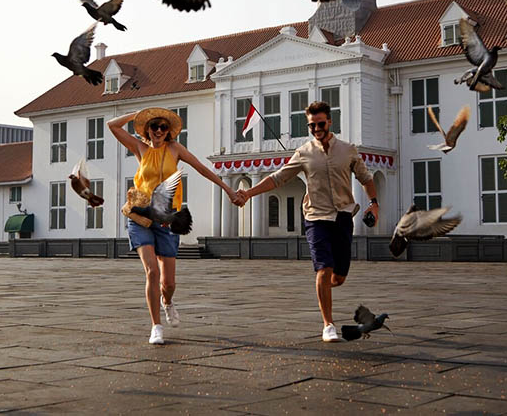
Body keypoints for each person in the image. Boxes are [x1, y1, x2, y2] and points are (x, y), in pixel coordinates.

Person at [237, 101, 378, 342]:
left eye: (320, 124)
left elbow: (366, 178)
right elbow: (277, 178)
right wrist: (248, 193)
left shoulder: (348, 150)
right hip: (316, 218)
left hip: (343, 217)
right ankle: (328, 325)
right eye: (312, 125)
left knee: (338, 277)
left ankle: (321, 288)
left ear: (330, 122)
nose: (316, 129)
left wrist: (374, 204)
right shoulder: (304, 153)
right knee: (323, 269)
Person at [108, 107, 244, 345]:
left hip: (167, 219)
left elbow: (202, 168)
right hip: (140, 216)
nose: (159, 131)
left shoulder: (175, 149)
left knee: (168, 283)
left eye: (163, 127)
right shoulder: (140, 148)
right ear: (148, 130)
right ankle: (156, 326)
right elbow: (112, 126)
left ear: (168, 131)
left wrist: (229, 190)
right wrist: (136, 114)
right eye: (154, 126)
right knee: (152, 271)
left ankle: (167, 301)